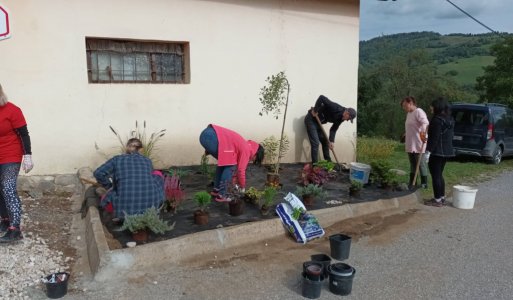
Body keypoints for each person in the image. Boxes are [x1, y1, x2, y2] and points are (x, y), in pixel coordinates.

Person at [94, 138, 164, 218]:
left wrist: (108, 186)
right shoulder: (147, 161)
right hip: (151, 209)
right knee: (157, 173)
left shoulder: (117, 159)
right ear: (141, 150)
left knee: (104, 194)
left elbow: (98, 173)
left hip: (123, 213)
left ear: (126, 148)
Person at [0, 84, 34, 243]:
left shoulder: (12, 110)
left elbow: (24, 134)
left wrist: (27, 155)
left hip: (10, 154)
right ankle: (5, 220)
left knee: (7, 187)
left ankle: (15, 229)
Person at [199, 124, 264, 202]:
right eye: (255, 159)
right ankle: (222, 195)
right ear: (256, 153)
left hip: (207, 133)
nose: (253, 160)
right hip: (211, 136)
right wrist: (242, 187)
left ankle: (216, 190)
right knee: (230, 166)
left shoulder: (244, 144)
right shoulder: (246, 150)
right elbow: (240, 170)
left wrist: (234, 182)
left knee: (224, 164)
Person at [304, 95, 356, 163]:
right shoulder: (336, 107)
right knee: (316, 143)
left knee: (326, 141)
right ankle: (315, 166)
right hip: (311, 120)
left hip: (318, 123)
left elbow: (333, 129)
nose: (347, 120)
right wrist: (316, 110)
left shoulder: (341, 119)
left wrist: (331, 141)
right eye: (348, 119)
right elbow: (321, 97)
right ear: (347, 113)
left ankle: (328, 162)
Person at [424, 97, 455, 207]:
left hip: (437, 152)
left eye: (432, 106)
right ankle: (441, 197)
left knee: (435, 175)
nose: (430, 108)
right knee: (439, 175)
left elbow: (434, 138)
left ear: (437, 107)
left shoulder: (437, 120)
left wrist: (428, 152)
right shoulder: (450, 119)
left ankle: (437, 200)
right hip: (447, 151)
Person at [401, 96, 429, 189]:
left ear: (411, 103)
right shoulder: (409, 113)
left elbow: (425, 122)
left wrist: (423, 133)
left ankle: (424, 183)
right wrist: (405, 134)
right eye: (403, 106)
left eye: (405, 105)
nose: (404, 108)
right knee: (412, 163)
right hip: (410, 142)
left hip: (418, 142)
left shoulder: (419, 111)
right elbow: (411, 126)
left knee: (420, 163)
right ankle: (412, 181)